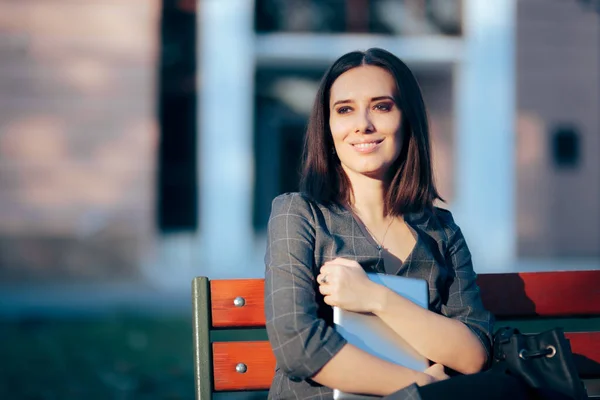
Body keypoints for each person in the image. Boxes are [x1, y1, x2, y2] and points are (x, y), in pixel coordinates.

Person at [263, 48, 530, 400]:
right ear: (327, 128)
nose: (363, 124)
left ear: (407, 119)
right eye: (345, 110)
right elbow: (297, 344)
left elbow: (473, 354)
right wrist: (420, 385)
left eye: (381, 106)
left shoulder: (440, 231)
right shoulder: (299, 214)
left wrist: (375, 297)